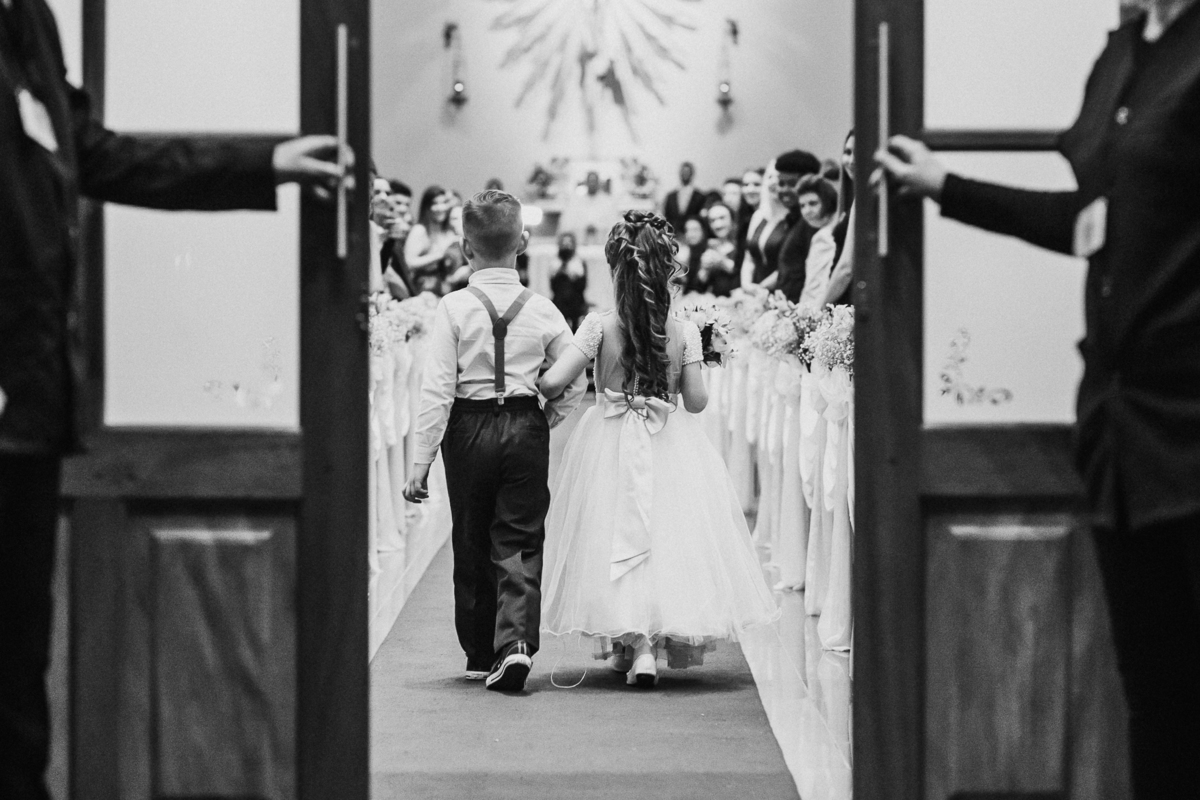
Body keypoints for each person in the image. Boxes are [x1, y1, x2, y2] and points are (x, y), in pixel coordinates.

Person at [0, 0, 351, 796]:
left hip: (28, 408)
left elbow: (94, 155)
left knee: (17, 674)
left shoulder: (30, 22)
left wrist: (261, 163)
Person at [877, 2, 1200, 795]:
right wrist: (945, 185)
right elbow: (1092, 222)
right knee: (1158, 706)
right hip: (1123, 433)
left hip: (1193, 420)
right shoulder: (1127, 50)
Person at [536, 210, 778, 687]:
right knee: (664, 536)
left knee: (614, 532)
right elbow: (696, 401)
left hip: (607, 437)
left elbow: (552, 381)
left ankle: (634, 645)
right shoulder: (684, 329)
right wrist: (703, 356)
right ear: (669, 268)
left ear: (613, 270)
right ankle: (644, 649)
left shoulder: (597, 325)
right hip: (669, 439)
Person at [403, 190, 586, 693]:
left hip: (467, 428)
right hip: (525, 424)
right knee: (521, 536)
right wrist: (552, 416)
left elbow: (437, 389)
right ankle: (517, 646)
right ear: (523, 242)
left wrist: (420, 461)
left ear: (466, 249)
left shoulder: (454, 307)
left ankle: (482, 651)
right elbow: (575, 374)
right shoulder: (544, 308)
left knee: (471, 536)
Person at [762, 149, 822, 301]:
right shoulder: (791, 219)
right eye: (781, 183)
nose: (783, 190)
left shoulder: (813, 222)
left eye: (791, 184)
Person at [740, 160, 789, 289]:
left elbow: (789, 265)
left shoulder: (792, 219)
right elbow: (748, 258)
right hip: (754, 289)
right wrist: (746, 285)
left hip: (780, 289)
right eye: (769, 176)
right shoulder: (758, 216)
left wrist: (760, 289)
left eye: (778, 177)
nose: (773, 181)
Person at [822, 129, 857, 306]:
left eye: (858, 153)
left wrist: (818, 309)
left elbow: (846, 268)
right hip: (841, 301)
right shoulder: (853, 200)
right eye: (848, 152)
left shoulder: (863, 200)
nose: (851, 161)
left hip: (847, 302)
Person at [404, 185, 456, 295]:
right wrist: (439, 256)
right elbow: (409, 262)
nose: (440, 208)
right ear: (427, 207)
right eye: (435, 203)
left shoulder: (448, 231)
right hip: (424, 289)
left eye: (443, 203)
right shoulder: (420, 230)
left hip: (446, 288)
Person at [549, 232, 588, 331]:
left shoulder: (579, 263)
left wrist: (573, 276)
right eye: (564, 243)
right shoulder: (555, 263)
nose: (566, 246)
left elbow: (583, 286)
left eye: (569, 243)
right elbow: (553, 287)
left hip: (576, 304)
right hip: (560, 303)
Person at [701, 201, 740, 297]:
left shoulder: (741, 243)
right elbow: (701, 283)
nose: (718, 225)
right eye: (712, 220)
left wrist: (722, 262)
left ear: (732, 219)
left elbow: (743, 276)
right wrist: (704, 269)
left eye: (722, 218)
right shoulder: (710, 246)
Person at [662, 161, 706, 236]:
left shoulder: (700, 196)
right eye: (683, 172)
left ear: (692, 174)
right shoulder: (671, 196)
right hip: (673, 235)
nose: (685, 174)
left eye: (687, 172)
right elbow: (666, 217)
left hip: (693, 234)